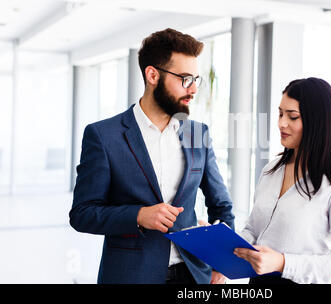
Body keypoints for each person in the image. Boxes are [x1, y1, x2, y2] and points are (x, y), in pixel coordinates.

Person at [69, 28, 234, 284]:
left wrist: (223, 260)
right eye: (184, 79)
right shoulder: (103, 135)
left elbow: (221, 205)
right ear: (152, 74)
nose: (193, 89)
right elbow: (82, 213)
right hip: (131, 275)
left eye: (196, 80)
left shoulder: (197, 133)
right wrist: (138, 216)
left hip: (193, 274)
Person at [234, 77, 331, 284]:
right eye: (280, 114)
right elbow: (253, 230)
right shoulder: (271, 170)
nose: (281, 123)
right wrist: (222, 242)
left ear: (317, 122)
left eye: (292, 117)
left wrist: (283, 263)